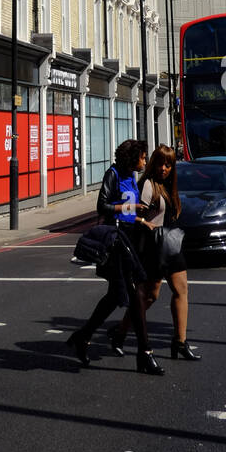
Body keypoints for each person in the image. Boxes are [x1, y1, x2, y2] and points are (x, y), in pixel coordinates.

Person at [68, 139, 163, 375]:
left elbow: (129, 209)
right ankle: (145, 353)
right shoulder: (113, 174)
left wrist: (140, 218)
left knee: (114, 296)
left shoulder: (132, 176)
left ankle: (83, 336)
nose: (144, 161)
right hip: (116, 240)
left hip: (130, 236)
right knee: (136, 293)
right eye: (142, 157)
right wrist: (126, 209)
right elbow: (103, 206)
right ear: (132, 158)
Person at [110, 144, 200, 361]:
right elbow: (130, 212)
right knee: (150, 296)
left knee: (181, 290)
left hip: (171, 244)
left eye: (168, 164)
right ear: (152, 164)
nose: (164, 168)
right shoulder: (148, 185)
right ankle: (120, 333)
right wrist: (143, 221)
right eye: (160, 163)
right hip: (153, 246)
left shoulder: (169, 185)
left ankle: (180, 341)